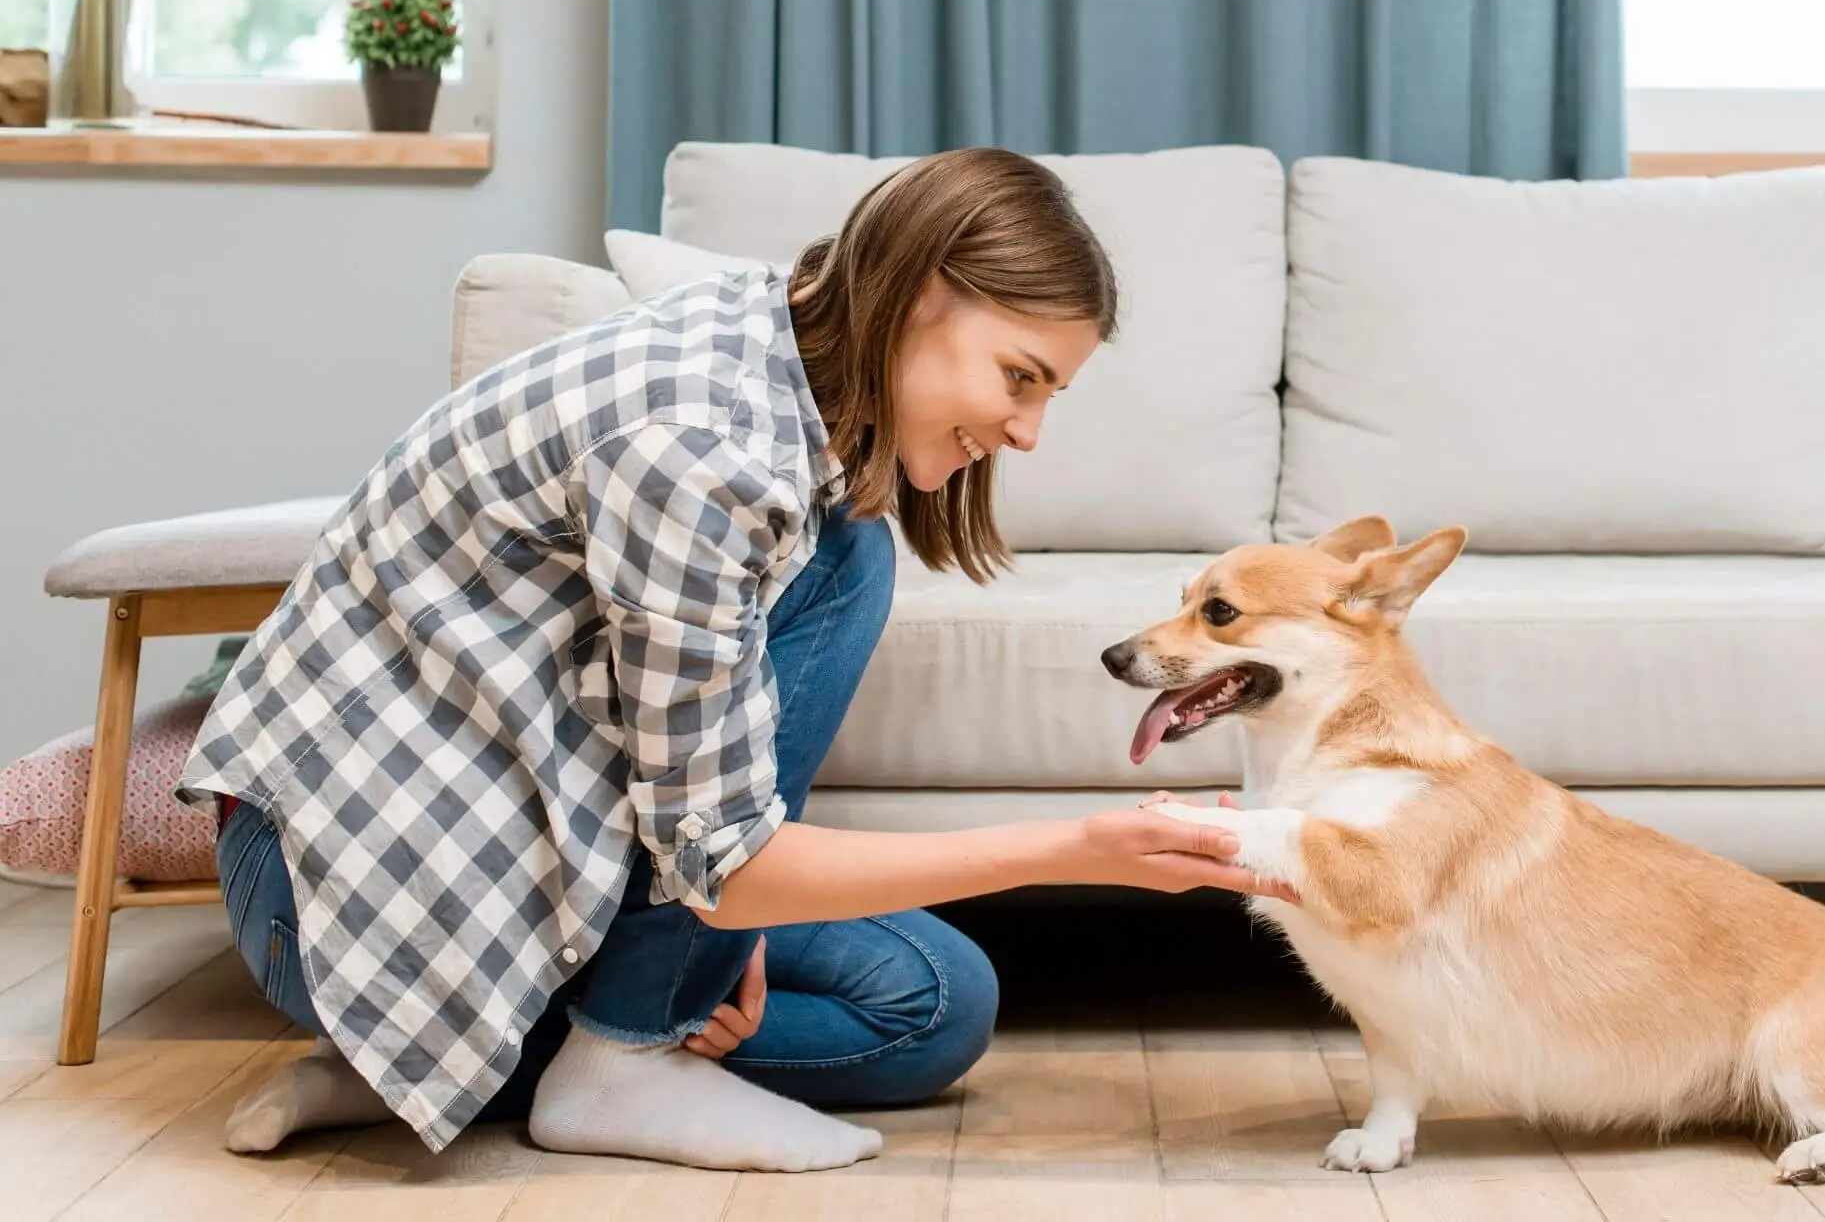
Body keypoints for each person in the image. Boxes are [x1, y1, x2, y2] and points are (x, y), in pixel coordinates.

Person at [184, 147, 1283, 1171]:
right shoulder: (702, 448)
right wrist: (1080, 846)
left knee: (937, 1003)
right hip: (333, 891)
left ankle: (437, 1066)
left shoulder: (778, 350)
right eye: (1019, 376)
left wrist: (713, 911)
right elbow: (727, 859)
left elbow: (706, 799)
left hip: (523, 847)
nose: (1028, 432)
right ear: (921, 293)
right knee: (851, 558)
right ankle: (607, 1061)